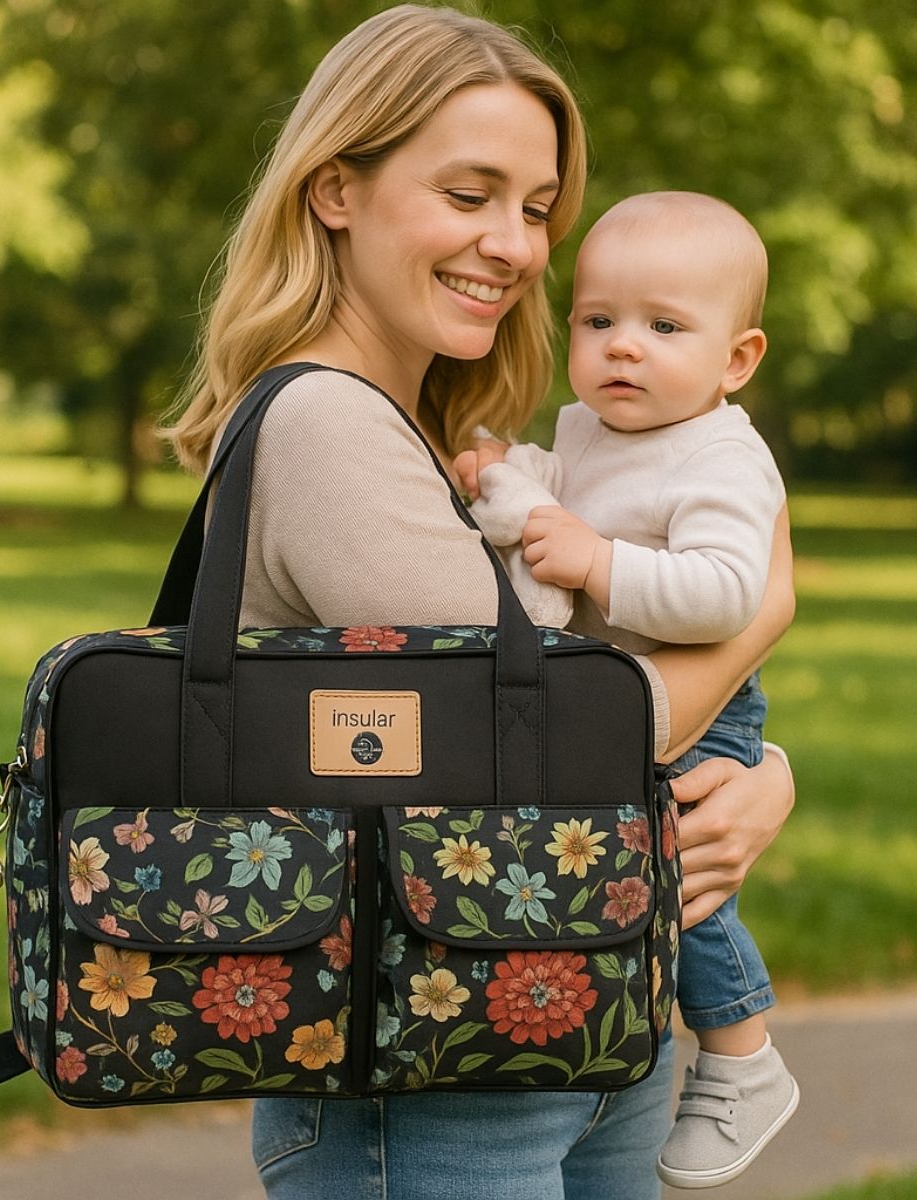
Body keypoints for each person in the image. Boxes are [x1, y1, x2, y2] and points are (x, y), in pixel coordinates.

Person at [165, 7, 796, 1198]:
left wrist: (762, 774)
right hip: (434, 1081)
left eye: (539, 208)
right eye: (470, 195)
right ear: (335, 189)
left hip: (582, 1016)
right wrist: (766, 611)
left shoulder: (425, 426)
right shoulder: (326, 423)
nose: (513, 245)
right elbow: (539, 744)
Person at [454, 190, 800, 1189]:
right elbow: (558, 492)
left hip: (703, 704)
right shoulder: (591, 424)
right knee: (630, 879)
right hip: (621, 695)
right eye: (598, 320)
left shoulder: (724, 456)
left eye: (665, 326)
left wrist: (599, 563)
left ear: (737, 360)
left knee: (679, 886)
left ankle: (742, 1055)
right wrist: (504, 471)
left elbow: (725, 593)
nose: (623, 347)